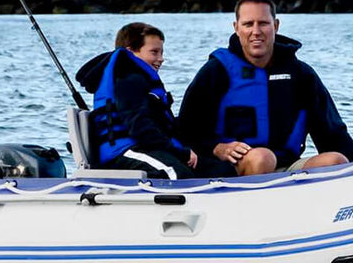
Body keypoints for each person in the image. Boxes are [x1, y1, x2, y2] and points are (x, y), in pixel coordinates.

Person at [180, 0, 353, 175]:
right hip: (231, 171)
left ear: (276, 26)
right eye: (248, 24)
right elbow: (185, 132)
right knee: (263, 157)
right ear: (236, 28)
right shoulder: (215, 71)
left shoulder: (301, 74)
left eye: (263, 23)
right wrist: (217, 148)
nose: (256, 31)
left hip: (286, 169)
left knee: (335, 161)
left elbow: (334, 135)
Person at [75, 22, 235, 179]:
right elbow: (140, 128)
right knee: (175, 173)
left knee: (223, 170)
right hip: (125, 153)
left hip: (148, 149)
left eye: (161, 52)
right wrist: (181, 152)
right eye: (154, 52)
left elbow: (161, 128)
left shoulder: (142, 82)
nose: (161, 58)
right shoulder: (128, 80)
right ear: (131, 52)